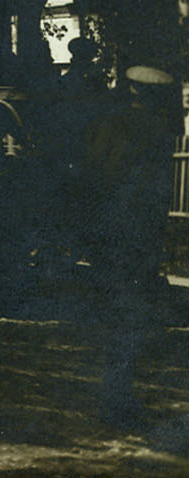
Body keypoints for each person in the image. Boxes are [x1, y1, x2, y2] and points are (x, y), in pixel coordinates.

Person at [81, 63, 179, 429]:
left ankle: (113, 397)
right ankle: (117, 399)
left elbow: (91, 177)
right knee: (130, 318)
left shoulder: (107, 124)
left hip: (109, 233)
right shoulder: (156, 131)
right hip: (138, 237)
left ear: (131, 90)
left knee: (114, 315)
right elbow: (155, 193)